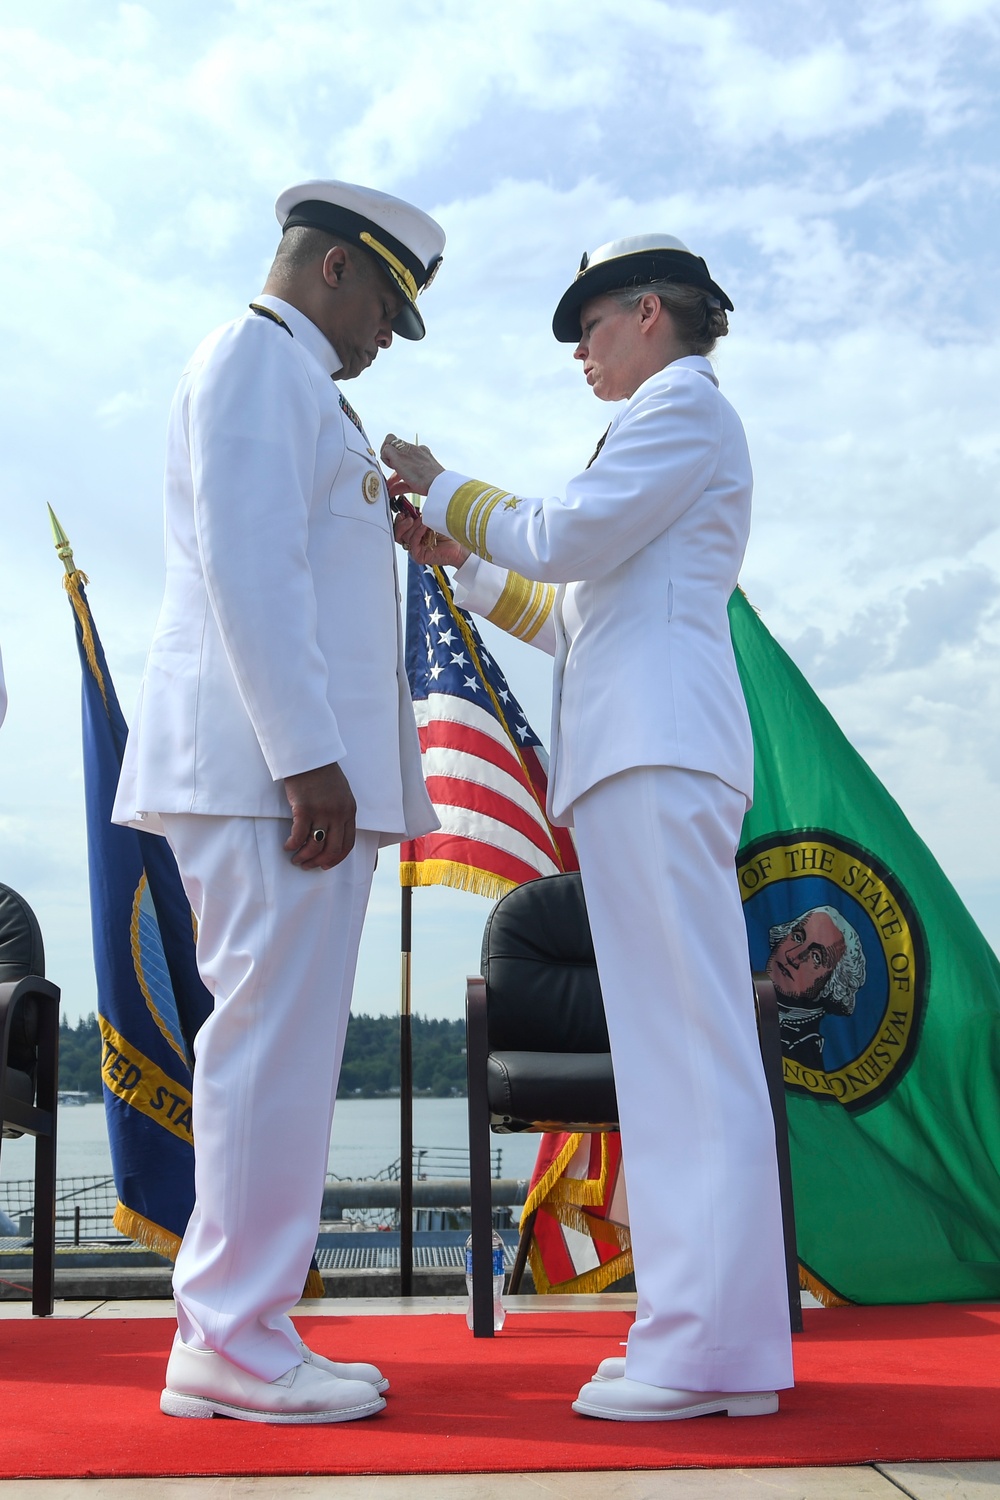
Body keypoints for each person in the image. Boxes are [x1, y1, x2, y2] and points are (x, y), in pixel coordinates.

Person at [384, 233, 795, 1422]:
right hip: (637, 750)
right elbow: (574, 617)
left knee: (687, 1055)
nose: (580, 349)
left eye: (591, 323)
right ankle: (693, 1333)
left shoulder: (684, 410)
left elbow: (562, 538)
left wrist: (443, 475)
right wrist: (458, 554)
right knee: (667, 1058)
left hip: (659, 752)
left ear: (652, 312)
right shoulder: (658, 426)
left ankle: (710, 1351)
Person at [112, 180, 444, 1424]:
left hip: (290, 782)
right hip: (270, 783)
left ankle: (247, 1322)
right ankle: (230, 1339)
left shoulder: (308, 389)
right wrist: (309, 760)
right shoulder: (255, 361)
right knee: (265, 1052)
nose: (381, 346)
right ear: (335, 272)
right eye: (383, 317)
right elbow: (252, 569)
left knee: (286, 1057)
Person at [766, 906, 866, 1067]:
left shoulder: (806, 1053)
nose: (792, 956)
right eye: (797, 937)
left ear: (833, 983)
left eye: (816, 957)